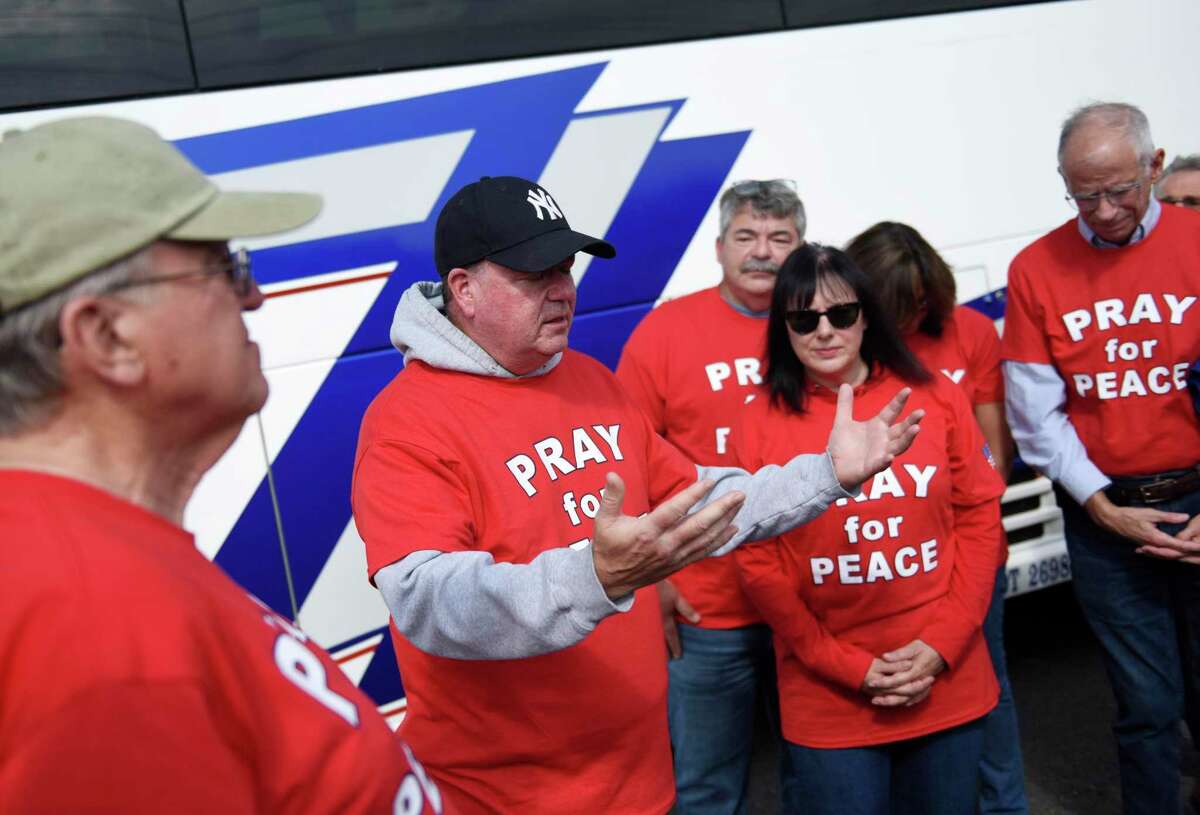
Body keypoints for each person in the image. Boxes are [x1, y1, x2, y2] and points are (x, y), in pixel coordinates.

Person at [351, 175, 924, 815]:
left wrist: (826, 475)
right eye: (534, 274)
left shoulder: (590, 379)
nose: (563, 290)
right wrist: (592, 577)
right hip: (506, 797)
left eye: (565, 268)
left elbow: (701, 502)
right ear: (464, 290)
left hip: (641, 782)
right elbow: (425, 600)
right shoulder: (406, 420)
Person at [0, 116, 445, 815]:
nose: (254, 295)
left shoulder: (82, 565)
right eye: (223, 267)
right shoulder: (96, 636)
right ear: (107, 335)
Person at [733, 243, 1006, 815]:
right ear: (784, 327)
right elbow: (757, 564)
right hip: (829, 699)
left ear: (867, 317)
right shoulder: (757, 425)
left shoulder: (932, 395)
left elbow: (981, 521)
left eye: (842, 314)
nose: (825, 332)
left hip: (947, 678)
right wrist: (847, 667)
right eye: (804, 319)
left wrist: (942, 645)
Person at [1001, 101, 1200, 815]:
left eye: (1120, 190)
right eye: (1084, 194)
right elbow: (1035, 413)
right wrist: (1102, 505)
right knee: (1146, 704)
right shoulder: (1035, 268)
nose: (1105, 211)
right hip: (1104, 513)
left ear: (1154, 164)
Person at [615, 178, 804, 814]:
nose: (763, 252)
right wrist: (653, 583)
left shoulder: (823, 327)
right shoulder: (665, 333)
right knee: (704, 787)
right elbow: (623, 465)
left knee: (825, 775)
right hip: (707, 610)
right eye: (746, 236)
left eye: (781, 238)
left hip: (817, 599)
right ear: (719, 247)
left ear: (801, 247)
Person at [845, 221, 1027, 814]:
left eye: (920, 304)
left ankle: (1005, 807)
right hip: (883, 560)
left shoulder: (968, 332)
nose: (911, 320)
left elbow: (993, 456)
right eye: (897, 308)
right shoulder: (845, 352)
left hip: (965, 556)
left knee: (987, 690)